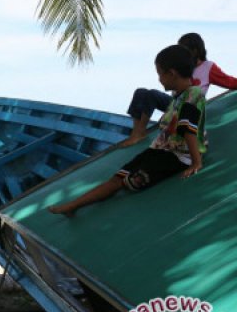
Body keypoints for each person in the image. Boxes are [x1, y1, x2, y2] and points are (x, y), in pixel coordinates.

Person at [49, 45, 205, 216]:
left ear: (172, 73)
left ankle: (73, 206)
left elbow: (188, 130)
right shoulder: (178, 96)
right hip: (161, 149)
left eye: (160, 73)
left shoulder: (193, 94)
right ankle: (73, 206)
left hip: (178, 157)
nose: (159, 78)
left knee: (126, 183)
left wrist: (196, 163)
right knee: (118, 176)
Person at [121, 32, 237, 146]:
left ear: (195, 51)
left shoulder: (208, 67)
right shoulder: (181, 66)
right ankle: (137, 131)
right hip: (175, 104)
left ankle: (139, 133)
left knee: (151, 95)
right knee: (141, 92)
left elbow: (232, 82)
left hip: (190, 107)